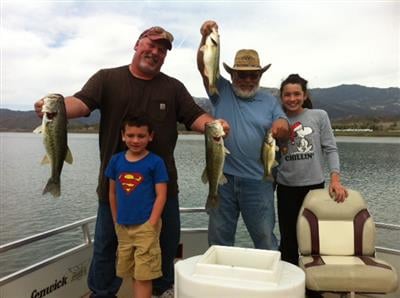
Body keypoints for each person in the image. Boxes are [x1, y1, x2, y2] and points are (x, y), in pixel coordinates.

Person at [34, 26, 229, 298]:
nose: (156, 52)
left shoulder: (173, 87)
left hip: (162, 188)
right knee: (106, 245)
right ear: (137, 45)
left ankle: (163, 289)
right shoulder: (107, 79)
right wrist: (54, 107)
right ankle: (102, 292)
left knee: (165, 242)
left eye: (162, 50)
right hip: (115, 187)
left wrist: (214, 124)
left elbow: (195, 115)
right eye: (152, 45)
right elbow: (81, 102)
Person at [197, 20, 289, 250]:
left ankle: (268, 283)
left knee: (265, 239)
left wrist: (279, 127)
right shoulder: (221, 91)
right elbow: (204, 67)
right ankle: (219, 281)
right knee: (219, 240)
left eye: (253, 75)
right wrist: (205, 38)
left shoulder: (270, 100)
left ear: (259, 75)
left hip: (259, 182)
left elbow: (283, 123)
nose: (247, 80)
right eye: (242, 75)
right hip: (223, 179)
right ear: (233, 74)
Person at [276, 73, 348, 266]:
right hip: (285, 188)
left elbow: (330, 149)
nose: (292, 99)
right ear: (281, 97)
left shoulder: (319, 116)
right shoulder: (277, 119)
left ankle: (315, 285)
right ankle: (290, 285)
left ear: (305, 95)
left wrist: (335, 180)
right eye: (287, 95)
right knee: (288, 240)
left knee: (315, 237)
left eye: (296, 94)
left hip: (314, 187)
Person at [106, 116, 168, 298]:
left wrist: (152, 223)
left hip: (146, 227)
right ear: (123, 136)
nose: (135, 140)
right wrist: (116, 219)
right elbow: (112, 193)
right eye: (130, 135)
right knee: (133, 272)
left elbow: (161, 195)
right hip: (123, 227)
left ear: (150, 137)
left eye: (141, 136)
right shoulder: (116, 161)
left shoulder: (155, 162)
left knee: (144, 276)